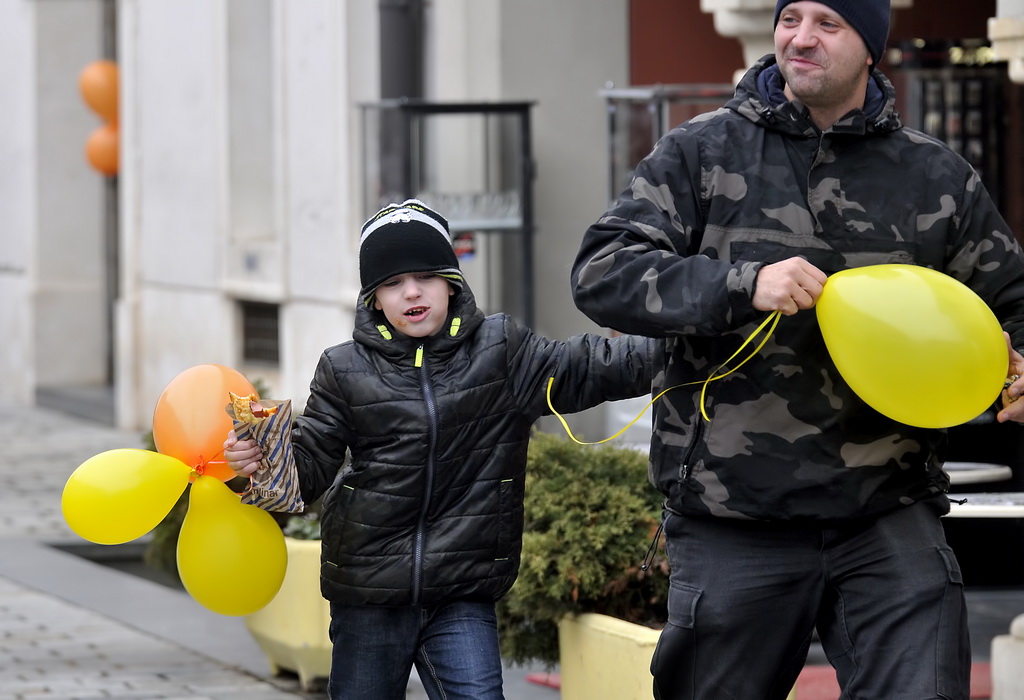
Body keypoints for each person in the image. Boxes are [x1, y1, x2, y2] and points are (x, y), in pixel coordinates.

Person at [570, 1, 1024, 698]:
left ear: (870, 48)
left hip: (886, 508)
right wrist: (740, 283)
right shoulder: (699, 152)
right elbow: (603, 273)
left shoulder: (935, 175)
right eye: (790, 17)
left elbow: (1010, 301)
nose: (800, 38)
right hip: (733, 516)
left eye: (828, 23)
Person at [224, 198, 656, 700]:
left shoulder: (502, 349)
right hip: (370, 593)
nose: (411, 292)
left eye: (426, 276)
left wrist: (685, 345)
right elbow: (308, 468)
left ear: (451, 280)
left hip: (462, 591)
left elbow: (591, 365)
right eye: (392, 283)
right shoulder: (343, 369)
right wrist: (252, 464)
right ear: (374, 299)